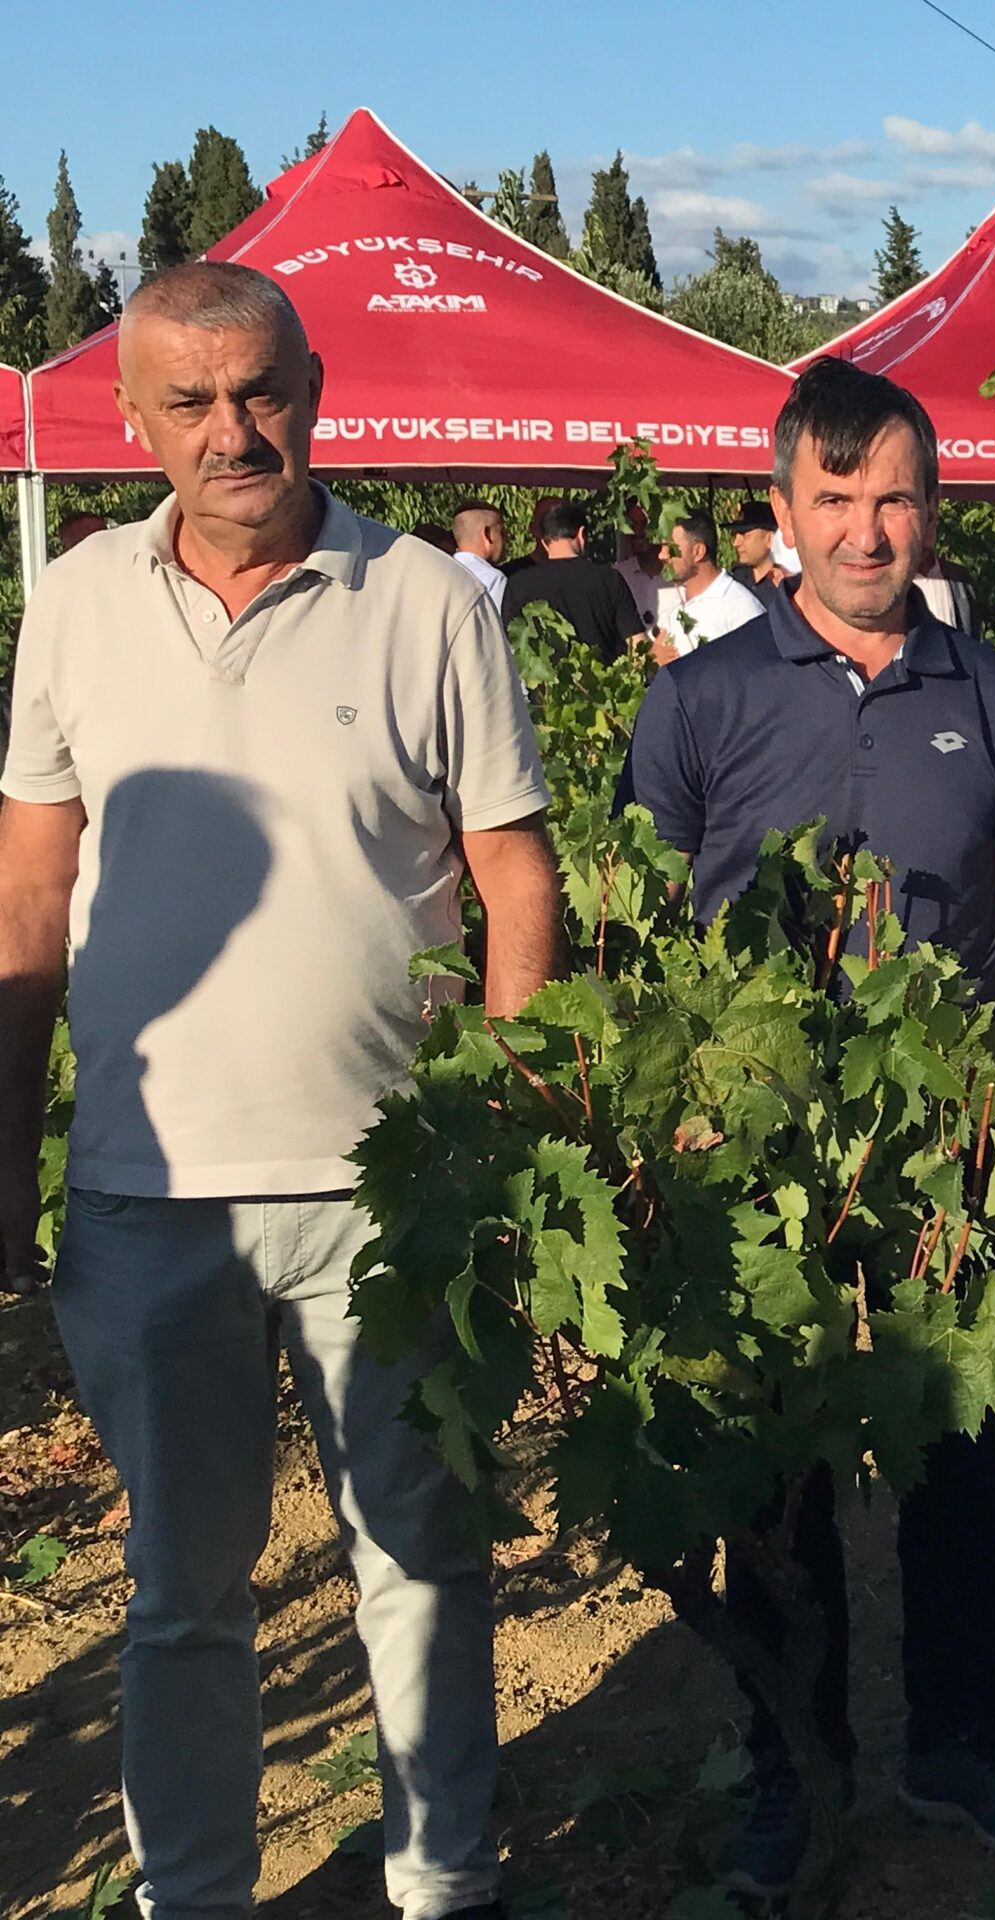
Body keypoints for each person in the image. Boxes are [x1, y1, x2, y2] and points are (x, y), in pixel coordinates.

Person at [0, 261, 562, 1920]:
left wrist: (502, 1150)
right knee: (181, 1589)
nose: (236, 431)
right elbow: (32, 895)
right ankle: (197, 1894)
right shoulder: (80, 602)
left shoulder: (432, 602)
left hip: (384, 1184)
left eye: (265, 391)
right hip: (141, 1191)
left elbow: (513, 880)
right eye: (193, 402)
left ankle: (444, 1878)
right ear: (133, 419)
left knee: (416, 1561)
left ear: (315, 382)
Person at [620, 360, 995, 1897]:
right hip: (763, 1172)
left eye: (894, 495)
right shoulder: (700, 697)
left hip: (944, 1157)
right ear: (780, 512)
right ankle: (790, 1775)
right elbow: (652, 943)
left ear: (932, 506)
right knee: (780, 1491)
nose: (868, 530)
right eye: (835, 499)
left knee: (960, 1471)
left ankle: (960, 1741)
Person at [501, 498, 647, 661]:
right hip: (602, 683)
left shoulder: (518, 583)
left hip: (543, 685)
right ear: (581, 534)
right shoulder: (609, 579)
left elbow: (509, 647)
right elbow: (638, 647)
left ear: (543, 542)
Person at [648, 510, 764, 662]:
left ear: (698, 552)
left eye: (670, 548)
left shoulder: (740, 607)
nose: (662, 556)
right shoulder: (673, 609)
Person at [449, 500, 507, 611]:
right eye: (502, 531)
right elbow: (493, 627)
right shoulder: (492, 579)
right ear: (487, 534)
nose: (506, 538)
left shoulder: (441, 570)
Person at [726, 500, 793, 590]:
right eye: (735, 535)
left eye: (745, 535)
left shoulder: (789, 584)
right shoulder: (732, 582)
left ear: (770, 539)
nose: (736, 543)